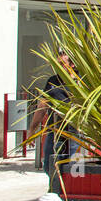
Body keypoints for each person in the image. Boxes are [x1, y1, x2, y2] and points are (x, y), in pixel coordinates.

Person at [31, 50, 74, 181]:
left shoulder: (80, 81)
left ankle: (69, 193)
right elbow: (42, 107)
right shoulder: (52, 81)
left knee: (74, 166)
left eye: (62, 63)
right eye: (57, 64)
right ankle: (55, 190)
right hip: (54, 130)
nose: (58, 67)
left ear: (71, 65)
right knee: (49, 165)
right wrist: (32, 130)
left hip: (75, 132)